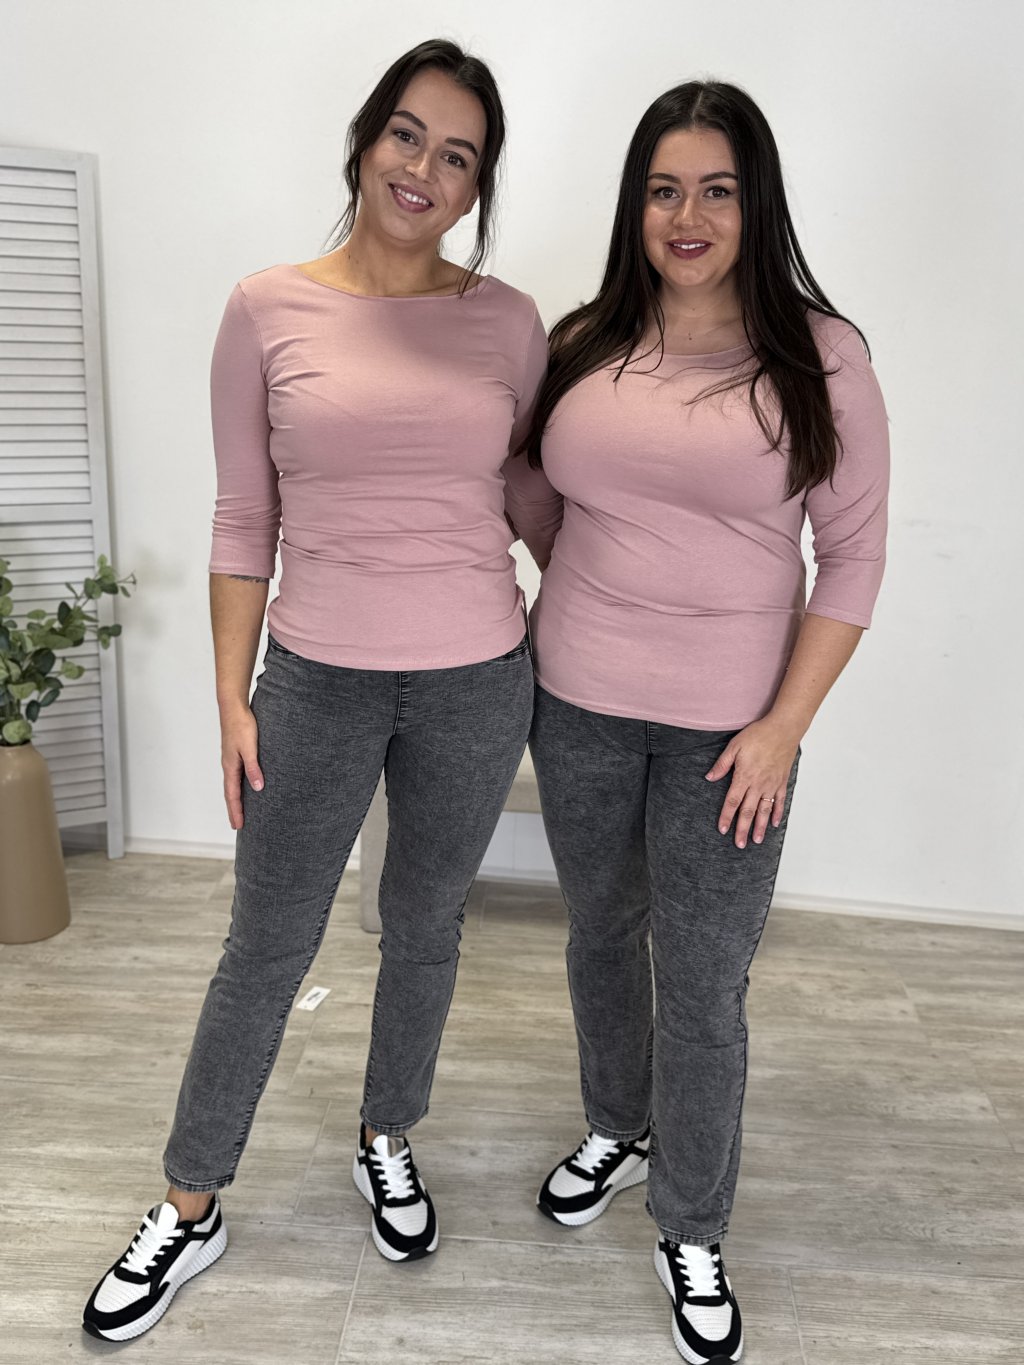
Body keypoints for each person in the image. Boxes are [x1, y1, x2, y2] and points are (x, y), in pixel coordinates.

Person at [83, 39, 558, 1343]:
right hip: (316, 680)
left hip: (477, 679)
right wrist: (233, 699)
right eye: (408, 135)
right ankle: (189, 1202)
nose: (425, 169)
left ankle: (386, 1133)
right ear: (365, 140)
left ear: (475, 186)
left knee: (425, 924)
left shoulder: (509, 323)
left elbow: (532, 496)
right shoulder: (266, 308)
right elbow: (246, 518)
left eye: (458, 156)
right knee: (268, 942)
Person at [516, 82, 889, 1364]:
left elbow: (852, 559)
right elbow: (534, 491)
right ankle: (617, 1126)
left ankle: (690, 1222)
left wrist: (783, 727)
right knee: (599, 936)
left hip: (732, 735)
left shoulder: (820, 356)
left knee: (705, 982)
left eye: (717, 190)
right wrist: (593, 590)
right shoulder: (582, 341)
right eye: (664, 189)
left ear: (755, 203)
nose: (688, 215)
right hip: (573, 702)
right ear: (635, 205)